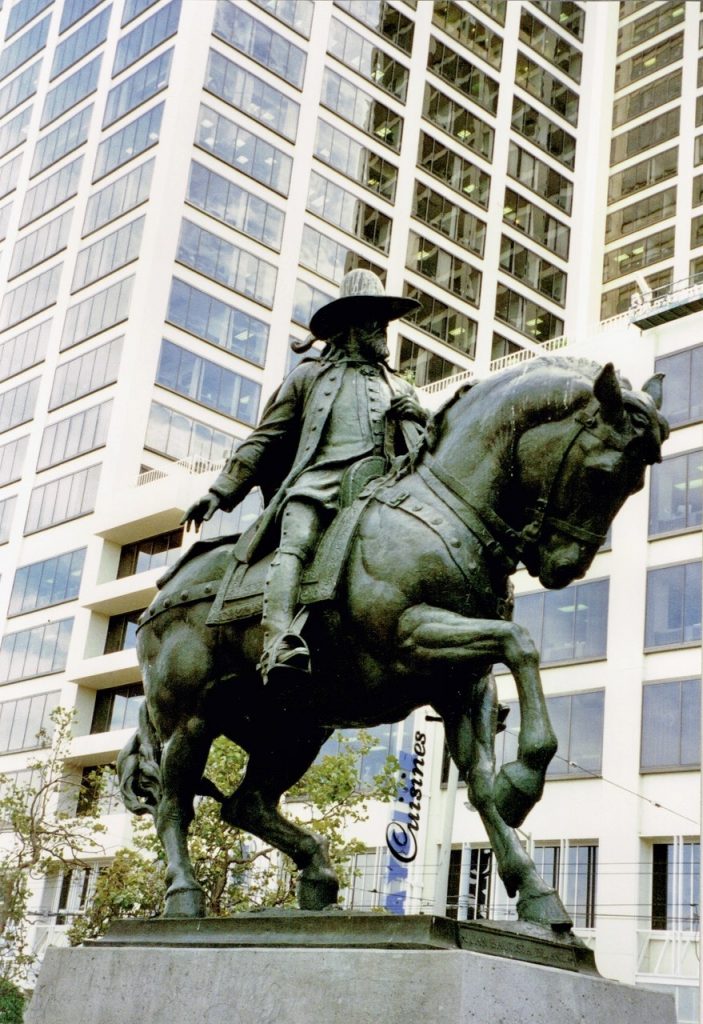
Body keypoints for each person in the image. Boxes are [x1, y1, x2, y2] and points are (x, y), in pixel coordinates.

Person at [182, 269, 428, 682]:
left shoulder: (400, 389)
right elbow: (263, 439)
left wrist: (420, 420)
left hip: (381, 494)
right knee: (296, 542)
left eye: (383, 322)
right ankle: (279, 641)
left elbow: (428, 455)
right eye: (373, 321)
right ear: (349, 327)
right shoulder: (309, 376)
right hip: (318, 487)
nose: (382, 331)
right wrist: (220, 491)